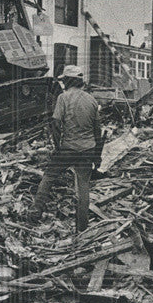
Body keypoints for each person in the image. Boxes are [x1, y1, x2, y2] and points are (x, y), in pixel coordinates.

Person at [29, 65, 102, 232]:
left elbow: (55, 124)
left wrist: (57, 146)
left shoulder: (63, 98)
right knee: (83, 187)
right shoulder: (92, 100)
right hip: (87, 149)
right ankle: (82, 227)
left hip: (68, 148)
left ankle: (35, 212)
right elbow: (97, 131)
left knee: (49, 177)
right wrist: (97, 156)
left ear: (68, 81)